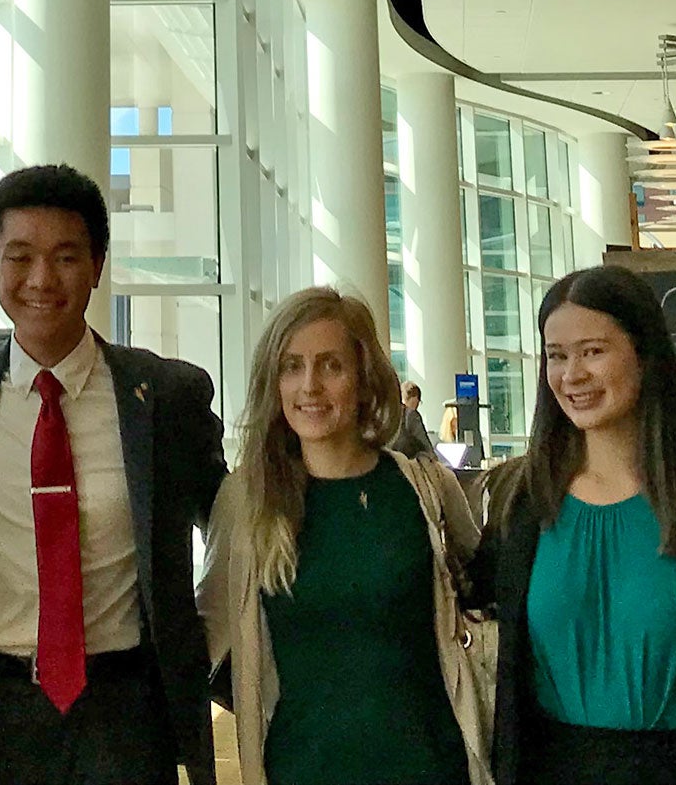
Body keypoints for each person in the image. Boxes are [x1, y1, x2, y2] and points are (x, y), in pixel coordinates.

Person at [0, 164, 227, 785]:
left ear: (98, 265)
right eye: (19, 257)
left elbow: (237, 518)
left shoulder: (165, 396)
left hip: (123, 714)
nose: (41, 280)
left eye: (66, 257)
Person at [199, 286, 488, 785]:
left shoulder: (423, 487)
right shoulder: (249, 502)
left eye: (330, 366)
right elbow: (207, 636)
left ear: (363, 380)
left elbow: (484, 589)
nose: (309, 385)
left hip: (431, 765)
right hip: (303, 767)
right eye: (292, 366)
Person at [474, 268, 676, 785]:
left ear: (645, 355)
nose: (572, 375)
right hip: (549, 769)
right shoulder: (521, 506)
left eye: (593, 351)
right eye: (557, 355)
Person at [396, 381, 438, 460]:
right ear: (415, 398)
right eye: (419, 402)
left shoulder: (389, 415)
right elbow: (425, 445)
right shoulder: (411, 415)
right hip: (410, 465)